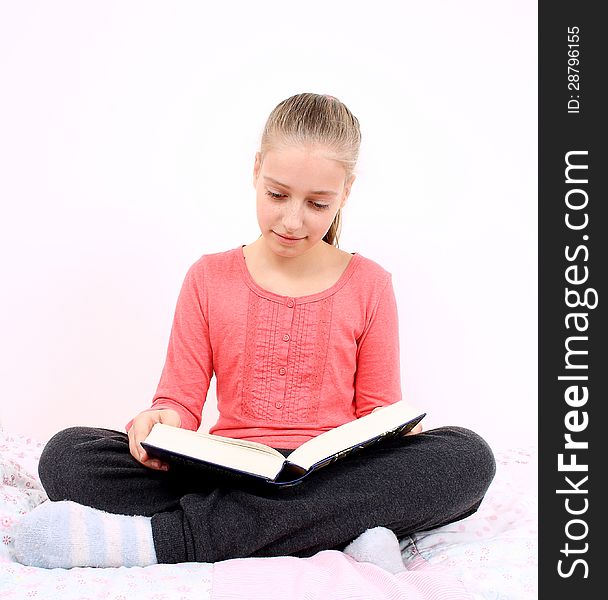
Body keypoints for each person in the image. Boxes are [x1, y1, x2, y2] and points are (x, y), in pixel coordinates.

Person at [12, 92, 496, 569]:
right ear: (256, 169)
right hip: (229, 472)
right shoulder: (208, 276)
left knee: (468, 457)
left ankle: (162, 541)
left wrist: (398, 436)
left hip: (330, 474)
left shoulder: (370, 283)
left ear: (345, 192)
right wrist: (158, 422)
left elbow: (376, 412)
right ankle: (340, 531)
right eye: (277, 194)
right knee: (67, 456)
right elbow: (179, 402)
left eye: (317, 203)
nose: (291, 220)